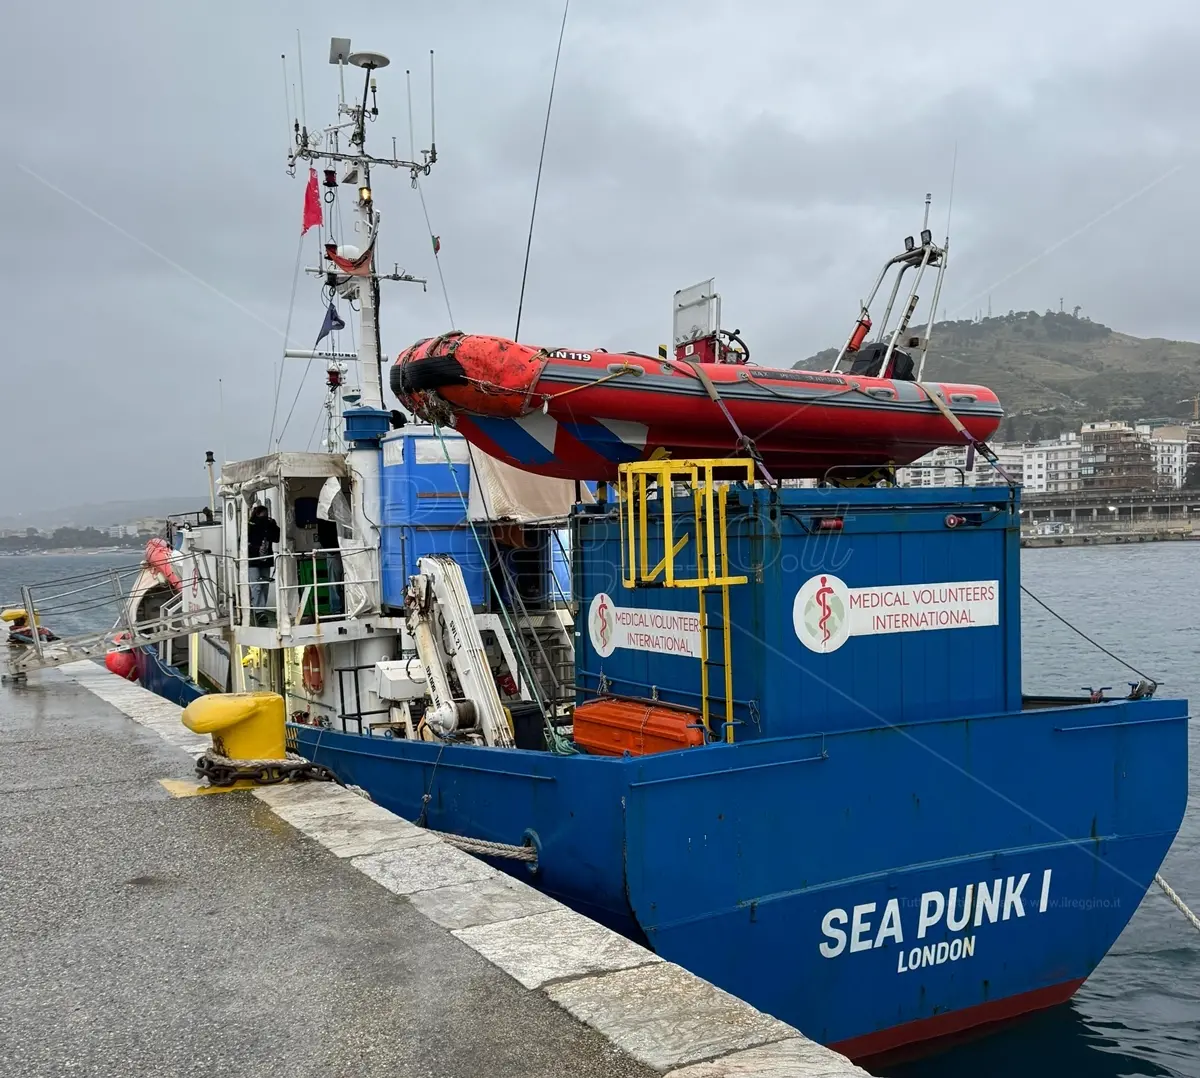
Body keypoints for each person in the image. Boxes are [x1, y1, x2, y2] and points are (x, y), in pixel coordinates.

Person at [248, 504, 280, 625]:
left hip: (266, 558)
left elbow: (276, 537)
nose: (265, 517)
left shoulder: (270, 524)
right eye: (263, 515)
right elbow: (246, 539)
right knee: (256, 586)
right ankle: (258, 611)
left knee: (264, 586)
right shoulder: (251, 524)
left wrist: (272, 525)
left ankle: (261, 609)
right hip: (252, 559)